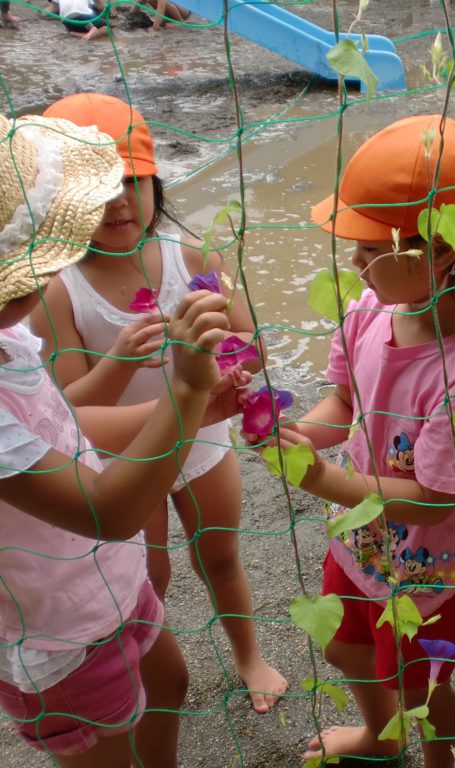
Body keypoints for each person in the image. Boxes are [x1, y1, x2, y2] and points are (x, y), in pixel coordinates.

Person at [276, 114, 455, 767]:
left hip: (428, 570)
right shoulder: (370, 309)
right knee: (344, 646)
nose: (354, 262)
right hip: (359, 540)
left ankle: (438, 759)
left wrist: (322, 478)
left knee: (421, 689)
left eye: (370, 249)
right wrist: (295, 435)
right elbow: (345, 403)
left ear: (440, 253)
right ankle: (378, 736)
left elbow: (434, 497)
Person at [29, 92, 287, 713]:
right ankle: (148, 666)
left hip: (202, 440)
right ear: (58, 204)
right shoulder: (59, 290)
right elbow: (69, 409)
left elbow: (253, 345)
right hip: (125, 456)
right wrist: (120, 359)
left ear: (156, 183)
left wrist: (229, 365)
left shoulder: (193, 258)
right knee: (147, 576)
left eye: (132, 181)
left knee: (220, 555)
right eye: (97, 190)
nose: (119, 201)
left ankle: (249, 656)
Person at [0, 111, 237, 766]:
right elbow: (109, 510)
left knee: (169, 684)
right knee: (107, 749)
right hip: (58, 636)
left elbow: (60, 422)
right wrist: (184, 393)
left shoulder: (9, 336)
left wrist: (190, 408)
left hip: (111, 583)